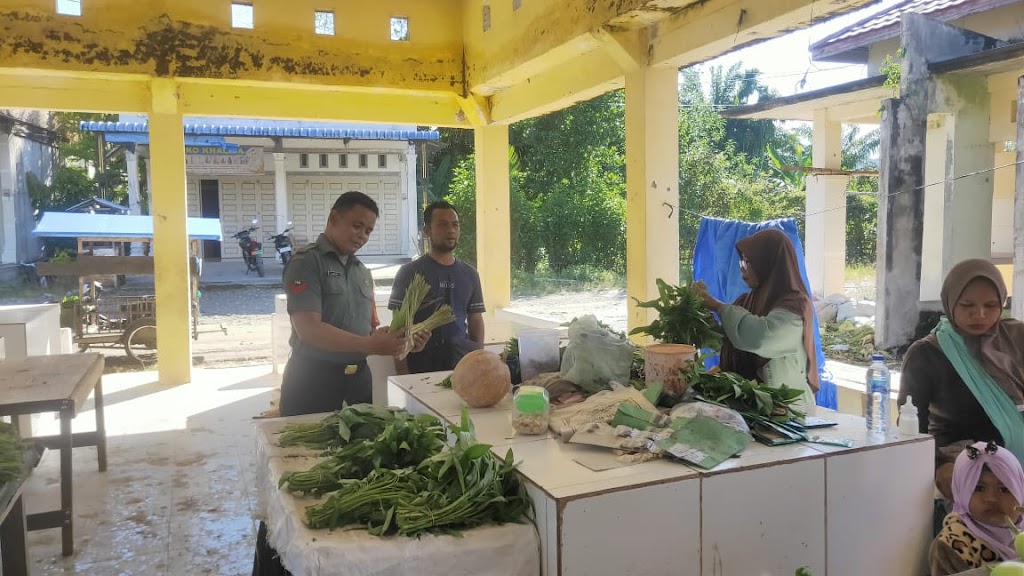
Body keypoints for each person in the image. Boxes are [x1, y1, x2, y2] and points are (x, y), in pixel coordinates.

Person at [278, 191, 429, 416]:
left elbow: (368, 332)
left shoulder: (362, 273)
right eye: (357, 226)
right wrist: (369, 345)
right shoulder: (306, 262)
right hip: (312, 380)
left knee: (360, 439)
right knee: (308, 440)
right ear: (333, 218)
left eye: (368, 231)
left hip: (358, 381)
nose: (362, 236)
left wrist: (401, 341)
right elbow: (308, 329)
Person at [898, 258, 1024, 500]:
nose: (980, 314)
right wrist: (939, 465)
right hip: (965, 476)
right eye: (967, 305)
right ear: (950, 301)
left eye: (991, 305)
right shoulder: (927, 354)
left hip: (1017, 473)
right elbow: (910, 425)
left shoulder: (1016, 338)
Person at [694, 228, 819, 411]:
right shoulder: (747, 301)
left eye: (748, 262)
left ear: (767, 262)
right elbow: (729, 338)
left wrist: (716, 305)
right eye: (741, 262)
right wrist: (699, 314)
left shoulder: (795, 306)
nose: (742, 269)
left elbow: (762, 337)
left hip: (787, 411)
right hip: (752, 407)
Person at [388, 200, 485, 374]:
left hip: (460, 365)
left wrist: (479, 361)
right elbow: (397, 329)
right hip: (420, 365)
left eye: (455, 225)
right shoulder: (409, 272)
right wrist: (403, 376)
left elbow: (475, 320)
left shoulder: (470, 274)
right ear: (427, 231)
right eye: (442, 224)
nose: (451, 230)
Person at [930, 441, 1024, 575]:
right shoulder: (952, 545)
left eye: (1004, 489)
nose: (991, 498)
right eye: (979, 488)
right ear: (961, 493)